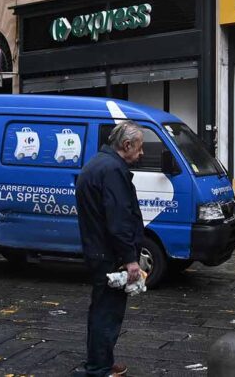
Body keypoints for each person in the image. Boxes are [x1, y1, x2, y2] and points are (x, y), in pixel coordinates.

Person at [76, 121, 146, 377]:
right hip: (109, 256)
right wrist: (130, 259)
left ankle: (101, 362)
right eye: (139, 148)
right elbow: (118, 220)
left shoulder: (97, 164)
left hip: (98, 251)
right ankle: (98, 369)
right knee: (107, 315)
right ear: (126, 145)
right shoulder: (113, 170)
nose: (141, 154)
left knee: (101, 311)